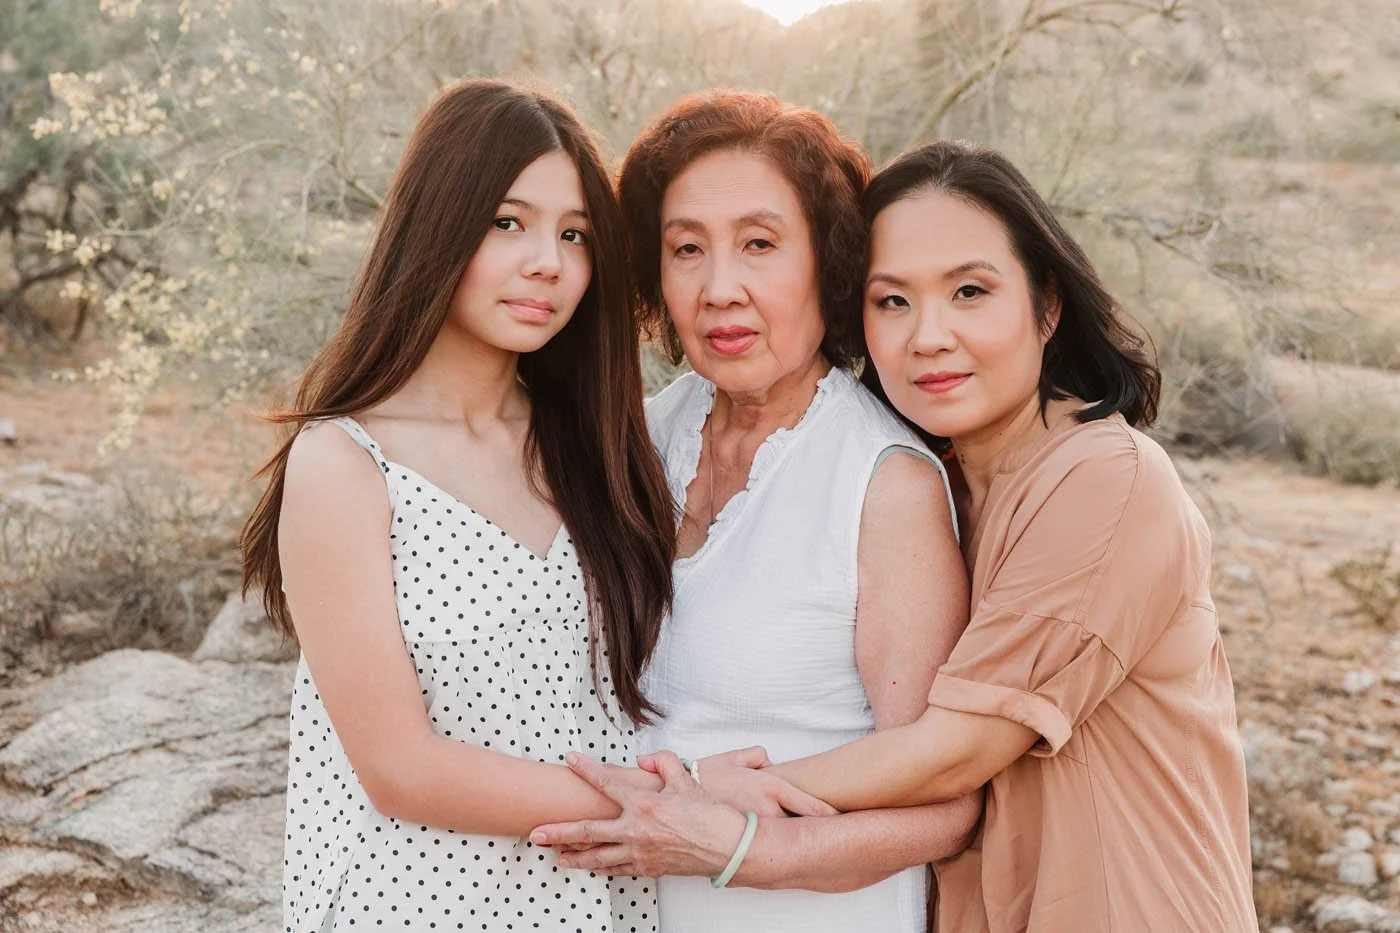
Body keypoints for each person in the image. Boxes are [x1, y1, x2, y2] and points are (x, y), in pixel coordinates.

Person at [532, 140, 1259, 933]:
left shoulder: (1102, 479)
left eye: (970, 291)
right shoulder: (955, 475)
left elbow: (954, 751)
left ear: (1047, 305)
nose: (928, 336)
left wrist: (710, 797)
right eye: (892, 301)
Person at [240, 78, 680, 933]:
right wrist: (665, 805)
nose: (548, 261)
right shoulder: (346, 461)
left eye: (575, 234)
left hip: (595, 899)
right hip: (417, 900)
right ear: (438, 225)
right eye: (508, 223)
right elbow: (401, 767)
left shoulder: (595, 445)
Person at [549, 91, 982, 932]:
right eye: (687, 248)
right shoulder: (642, 435)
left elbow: (945, 808)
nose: (720, 289)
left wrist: (735, 846)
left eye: (759, 243)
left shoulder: (885, 483)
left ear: (829, 261)